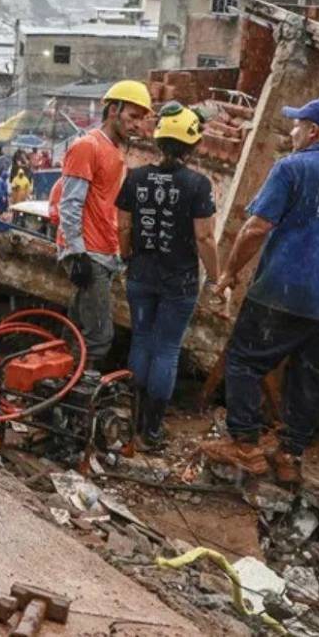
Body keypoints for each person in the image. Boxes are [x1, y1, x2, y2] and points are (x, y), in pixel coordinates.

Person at [202, 99, 319, 484]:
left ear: (312, 132)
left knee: (245, 360)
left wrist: (228, 273)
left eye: (297, 125)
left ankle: (245, 445)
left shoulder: (293, 168)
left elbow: (257, 228)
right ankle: (290, 456)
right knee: (309, 379)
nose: (292, 131)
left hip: (283, 293)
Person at [116, 104, 218, 451]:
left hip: (141, 274)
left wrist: (128, 257)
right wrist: (216, 278)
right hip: (180, 281)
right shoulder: (197, 185)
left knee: (141, 341)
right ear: (191, 145)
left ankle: (132, 421)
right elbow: (204, 238)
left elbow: (123, 226)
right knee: (167, 350)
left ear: (159, 140)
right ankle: (152, 431)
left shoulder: (136, 177)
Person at [55, 79, 152, 369]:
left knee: (76, 331)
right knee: (99, 337)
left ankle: (56, 391)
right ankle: (74, 401)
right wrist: (76, 253)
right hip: (89, 254)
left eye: (141, 119)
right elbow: (70, 203)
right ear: (113, 110)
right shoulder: (87, 146)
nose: (137, 125)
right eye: (132, 117)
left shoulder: (115, 151)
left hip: (103, 254)